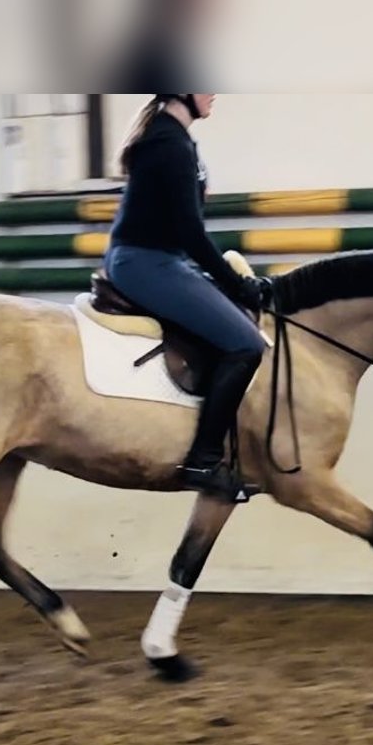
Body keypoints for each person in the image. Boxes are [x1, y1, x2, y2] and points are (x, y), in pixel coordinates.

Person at [104, 94, 268, 498]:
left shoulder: (178, 141)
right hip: (146, 262)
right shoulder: (169, 145)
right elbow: (191, 235)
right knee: (246, 344)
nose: (215, 93)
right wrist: (236, 284)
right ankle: (203, 459)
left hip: (163, 260)